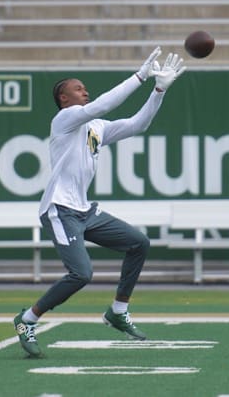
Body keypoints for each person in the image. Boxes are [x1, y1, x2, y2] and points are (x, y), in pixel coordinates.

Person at [13, 47, 186, 358]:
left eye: (84, 87)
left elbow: (138, 124)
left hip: (84, 210)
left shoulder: (96, 127)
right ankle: (27, 320)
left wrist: (159, 90)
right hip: (59, 209)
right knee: (81, 274)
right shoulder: (65, 119)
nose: (85, 91)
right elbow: (104, 103)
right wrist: (139, 76)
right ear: (64, 99)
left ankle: (118, 311)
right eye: (78, 88)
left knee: (139, 243)